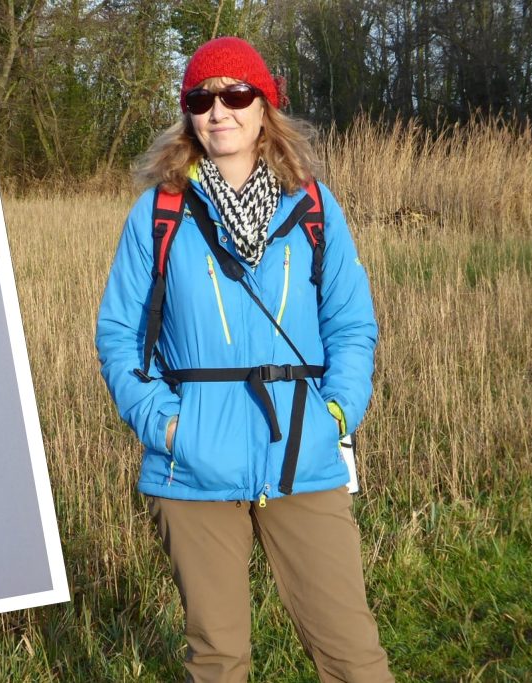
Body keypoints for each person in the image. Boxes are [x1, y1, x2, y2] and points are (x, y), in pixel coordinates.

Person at [95, 36, 394, 682]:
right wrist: (168, 426)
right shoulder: (159, 213)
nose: (218, 111)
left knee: (352, 653)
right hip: (192, 466)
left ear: (265, 107)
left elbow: (351, 321)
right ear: (188, 115)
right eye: (201, 99)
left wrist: (336, 413)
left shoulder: (313, 207)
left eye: (235, 94)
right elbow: (119, 333)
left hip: (303, 453)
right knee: (218, 659)